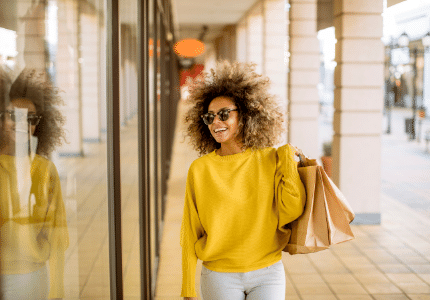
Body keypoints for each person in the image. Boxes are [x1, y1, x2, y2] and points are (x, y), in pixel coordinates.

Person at [180, 61, 306, 300]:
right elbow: (189, 231)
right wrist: (188, 286)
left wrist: (288, 166)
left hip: (267, 271)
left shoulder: (271, 159)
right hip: (219, 275)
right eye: (209, 117)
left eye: (224, 114)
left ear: (246, 115)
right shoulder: (200, 169)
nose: (216, 122)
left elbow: (291, 211)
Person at [0, 68, 69, 299]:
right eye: (13, 115)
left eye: (30, 118)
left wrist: (57, 289)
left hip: (28, 278)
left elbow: (57, 237)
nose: (22, 124)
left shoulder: (44, 171)